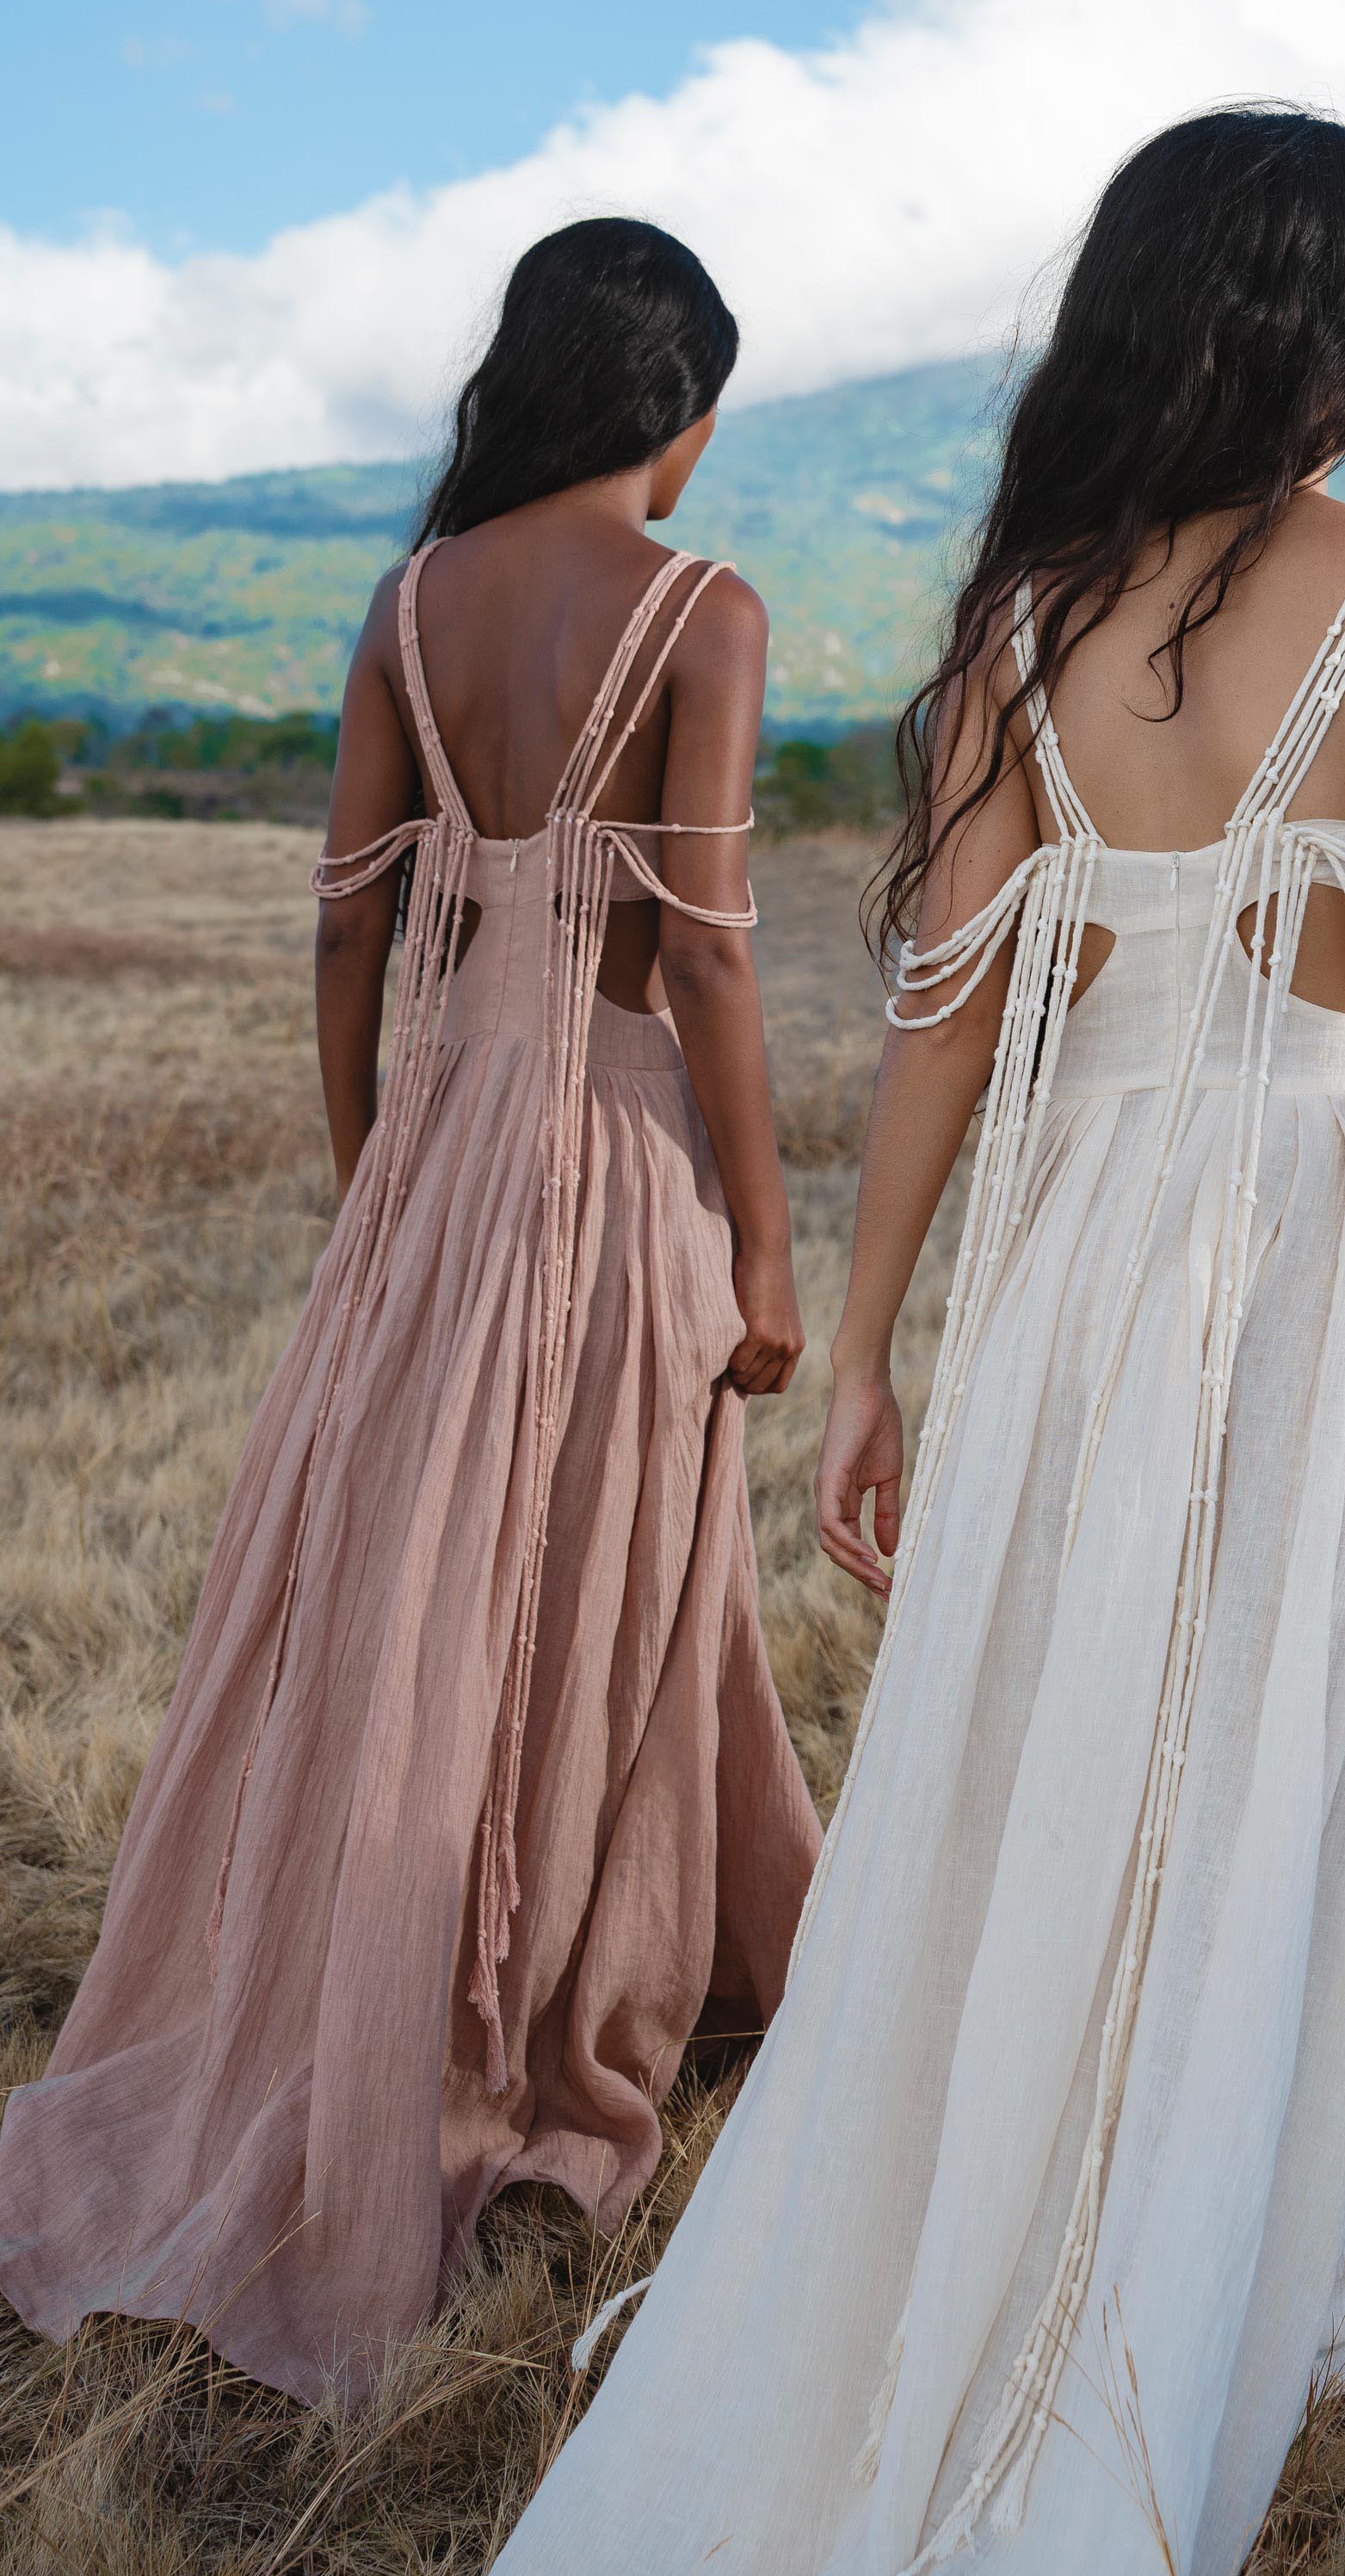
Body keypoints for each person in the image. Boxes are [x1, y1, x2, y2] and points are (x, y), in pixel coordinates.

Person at [491, 109, 1345, 2576]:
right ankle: (1175, 2322)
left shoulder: (1024, 623)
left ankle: (1212, 2291)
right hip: (1305, 1237)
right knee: (1245, 1791)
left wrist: (864, 1354)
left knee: (1048, 1771)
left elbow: (946, 1032)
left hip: (1074, 1246)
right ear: (1304, 311)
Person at [0, 217, 821, 2408]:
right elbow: (712, 955)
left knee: (410, 1591)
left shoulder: (403, 602)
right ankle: (535, 2023)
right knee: (589, 1577)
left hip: (444, 1143)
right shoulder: (701, 606)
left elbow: (345, 934)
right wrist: (763, 1236)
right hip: (611, 1148)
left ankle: (408, 1995)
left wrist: (374, 1176)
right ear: (675, 401)